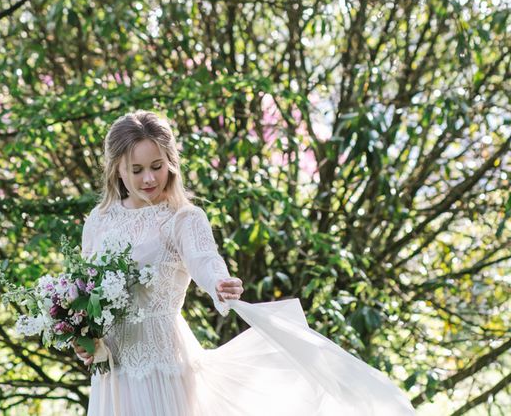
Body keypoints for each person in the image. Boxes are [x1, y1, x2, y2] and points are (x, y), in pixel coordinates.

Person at [74, 110, 416, 416]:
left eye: (156, 166)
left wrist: (220, 284)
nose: (149, 178)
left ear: (171, 163)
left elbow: (205, 259)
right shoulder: (99, 220)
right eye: (137, 170)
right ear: (117, 167)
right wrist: (85, 340)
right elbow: (89, 291)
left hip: (163, 366)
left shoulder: (182, 218)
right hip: (114, 368)